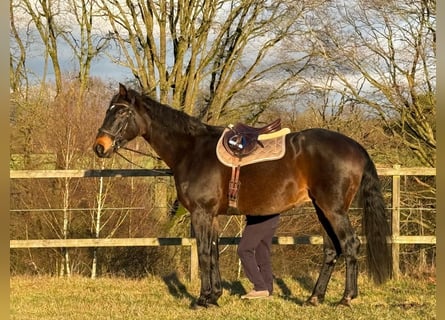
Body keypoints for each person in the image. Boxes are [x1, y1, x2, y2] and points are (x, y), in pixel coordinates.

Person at [237, 213, 280, 299]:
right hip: (273, 217)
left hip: (259, 217)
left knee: (244, 250)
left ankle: (260, 287)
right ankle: (267, 289)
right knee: (262, 253)